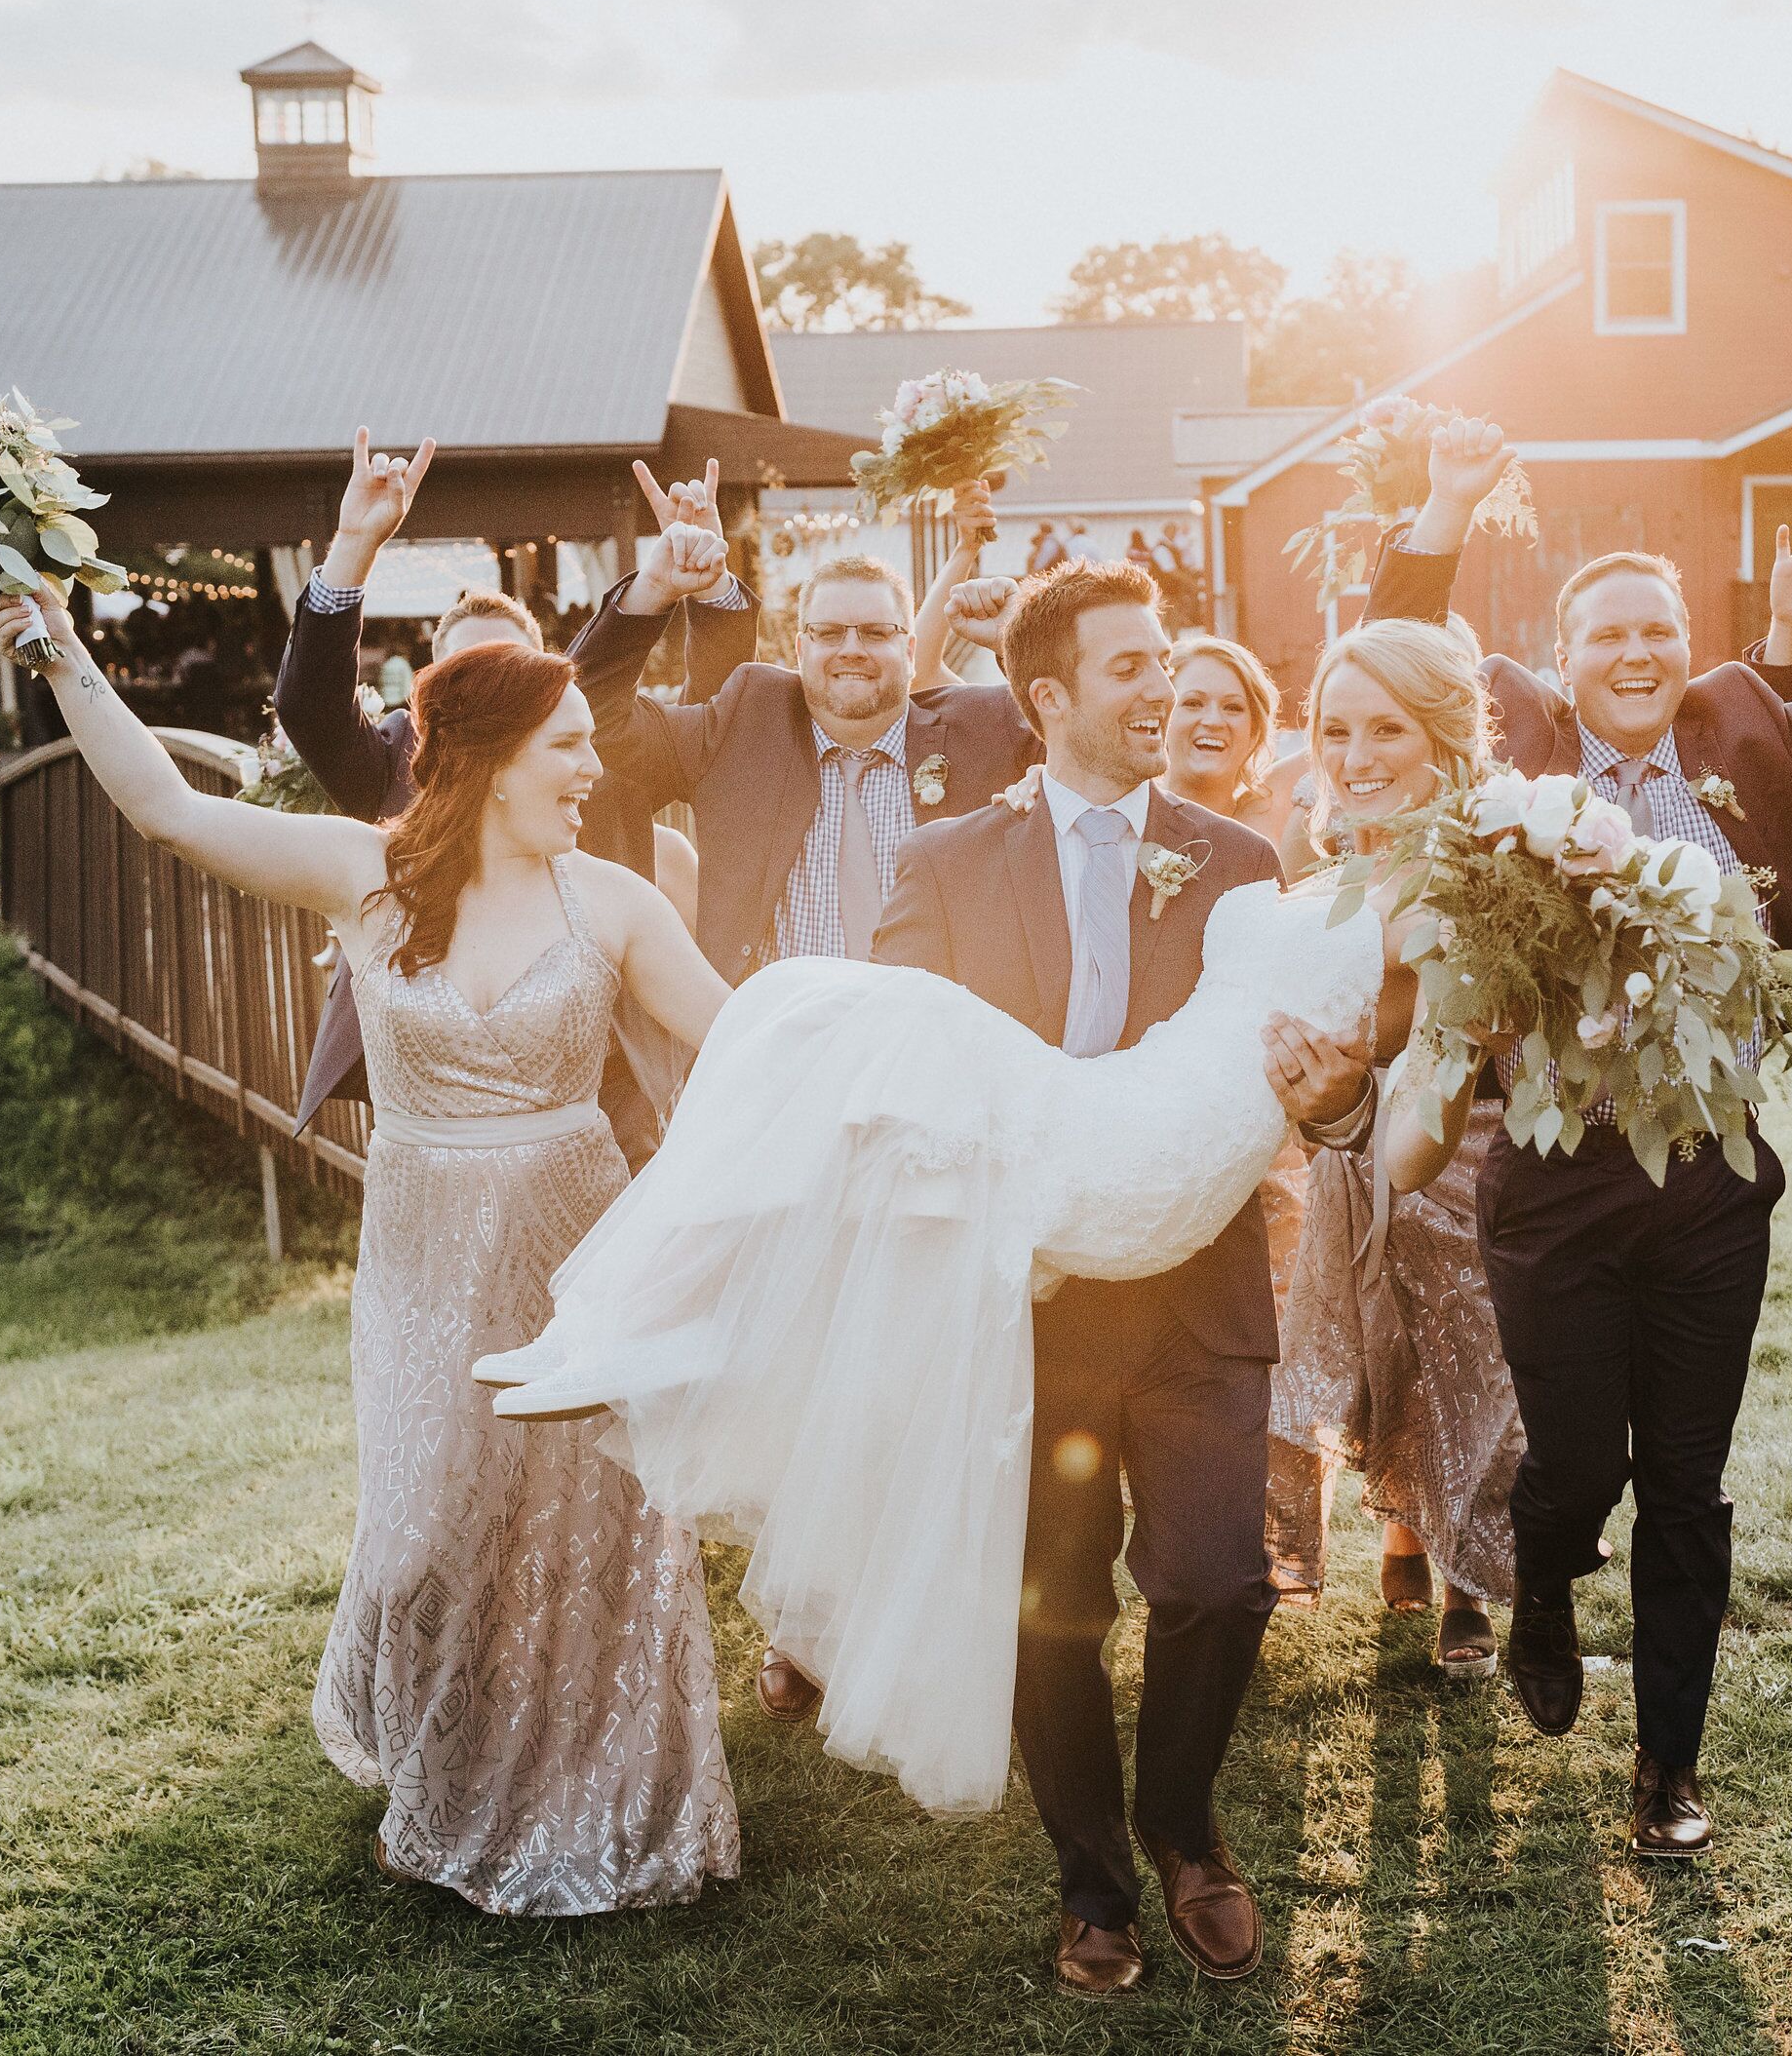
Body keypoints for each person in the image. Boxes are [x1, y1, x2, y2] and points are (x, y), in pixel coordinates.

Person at [478, 557, 1383, 1997]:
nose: (1167, 689)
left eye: (1169, 663)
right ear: (1050, 696)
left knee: (1218, 1583)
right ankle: (1094, 1879)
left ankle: (1185, 1826)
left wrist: (1334, 1102)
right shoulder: (948, 860)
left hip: (1200, 1290)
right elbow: (886, 1080)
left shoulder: (1236, 862)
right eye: (1135, 667)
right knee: (1054, 1603)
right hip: (1018, 1315)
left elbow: (1293, 1095)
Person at [0, 584, 743, 1918]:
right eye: (566, 744)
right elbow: (168, 809)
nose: (591, 766)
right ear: (494, 759)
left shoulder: (614, 900)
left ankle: (599, 1798)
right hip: (426, 1251)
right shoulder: (367, 880)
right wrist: (58, 649)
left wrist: (885, 1062)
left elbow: (742, 1043)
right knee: (429, 1530)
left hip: (578, 1236)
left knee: (587, 1522)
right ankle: (447, 1784)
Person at [1360, 413, 1792, 1856]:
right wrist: (1445, 505)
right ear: (1562, 656)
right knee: (1579, 1460)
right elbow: (1401, 642)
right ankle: (1551, 1572)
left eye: (1655, 631)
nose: (1633, 655)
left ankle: (1669, 1768)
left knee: (1689, 1479)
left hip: (1713, 1171)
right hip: (1554, 1176)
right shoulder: (1508, 742)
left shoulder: (1747, 722)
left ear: (1686, 643)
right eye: (1605, 635)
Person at [565, 475, 1040, 1726]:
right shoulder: (743, 722)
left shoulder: (983, 728)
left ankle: (919, 1603)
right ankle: (802, 1616)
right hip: (781, 1091)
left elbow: (1095, 745)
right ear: (797, 646)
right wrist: (654, 594)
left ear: (909, 645)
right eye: (826, 632)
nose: (850, 654)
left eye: (875, 632)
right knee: (785, 1359)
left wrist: (1021, 641)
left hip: (944, 1091)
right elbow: (597, 719)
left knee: (916, 1358)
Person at [271, 438, 745, 1136]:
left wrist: (696, 588)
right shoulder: (396, 756)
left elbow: (720, 715)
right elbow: (309, 705)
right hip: (440, 1093)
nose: (485, 702)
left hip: (604, 1081)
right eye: (461, 678)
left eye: (508, 674)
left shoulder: (598, 743)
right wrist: (352, 546)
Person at [1265, 617, 1525, 1675]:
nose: (1357, 758)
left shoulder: (1491, 864)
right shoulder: (1324, 867)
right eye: (1336, 732)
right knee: (1385, 1353)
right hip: (1347, 1146)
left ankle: (1468, 1576)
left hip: (1475, 1150)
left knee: (1473, 1358)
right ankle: (1406, 1526)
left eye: (1387, 731)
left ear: (1445, 735)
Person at [1161, 636, 1283, 835]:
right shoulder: (1123, 828)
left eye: (1232, 707)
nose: (1213, 721)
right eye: (1193, 703)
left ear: (1254, 731)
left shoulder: (1273, 834)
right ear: (1161, 717)